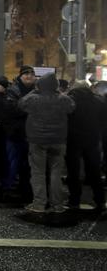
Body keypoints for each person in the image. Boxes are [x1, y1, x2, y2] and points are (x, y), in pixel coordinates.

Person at [19, 73, 75, 213]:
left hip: (37, 140)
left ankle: (39, 204)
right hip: (58, 140)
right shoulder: (63, 99)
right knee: (56, 173)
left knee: (38, 173)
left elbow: (21, 104)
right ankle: (57, 205)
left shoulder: (33, 98)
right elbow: (72, 107)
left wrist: (35, 90)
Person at [65, 81, 105, 212]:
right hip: (92, 140)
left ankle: (74, 200)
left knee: (73, 172)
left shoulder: (69, 100)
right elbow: (104, 121)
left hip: (73, 140)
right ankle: (100, 200)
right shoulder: (99, 101)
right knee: (94, 171)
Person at [2, 65, 36, 203]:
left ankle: (25, 191)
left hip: (31, 134)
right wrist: (29, 107)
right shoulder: (13, 90)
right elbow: (12, 110)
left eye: (31, 74)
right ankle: (8, 191)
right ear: (20, 76)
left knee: (28, 166)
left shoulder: (36, 90)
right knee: (13, 163)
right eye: (26, 74)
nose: (29, 76)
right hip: (15, 134)